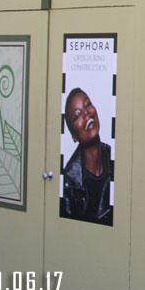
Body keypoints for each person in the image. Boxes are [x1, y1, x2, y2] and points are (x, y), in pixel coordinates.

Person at [60, 88, 113, 225]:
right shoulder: (69, 183)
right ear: (74, 136)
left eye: (87, 104)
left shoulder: (114, 157)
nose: (86, 113)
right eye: (77, 116)